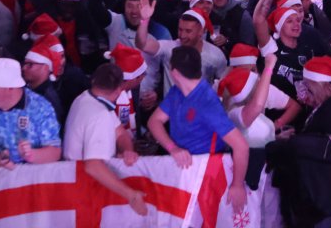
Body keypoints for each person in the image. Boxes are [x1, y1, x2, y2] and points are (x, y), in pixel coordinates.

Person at [146, 46, 249, 213]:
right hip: (182, 169)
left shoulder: (207, 102)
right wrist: (173, 148)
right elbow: (154, 121)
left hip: (206, 173)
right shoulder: (176, 92)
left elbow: (241, 146)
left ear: (175, 73)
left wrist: (237, 185)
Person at [64, 63, 148, 217]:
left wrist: (127, 150)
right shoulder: (99, 115)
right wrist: (131, 195)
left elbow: (120, 133)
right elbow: (93, 166)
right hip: (86, 191)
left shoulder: (86, 98)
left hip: (84, 185)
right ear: (118, 90)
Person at [0, 58, 62, 168]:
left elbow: (55, 151)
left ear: (10, 88)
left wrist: (31, 155)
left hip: (32, 179)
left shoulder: (41, 108)